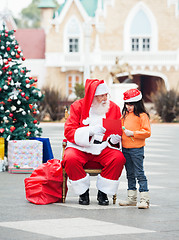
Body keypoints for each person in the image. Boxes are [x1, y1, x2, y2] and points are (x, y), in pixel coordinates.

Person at [62, 79, 126, 205]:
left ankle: (103, 192)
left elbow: (117, 130)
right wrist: (90, 131)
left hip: (104, 146)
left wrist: (114, 139)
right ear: (93, 96)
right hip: (80, 147)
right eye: (102, 95)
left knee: (118, 158)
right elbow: (69, 131)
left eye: (106, 95)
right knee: (70, 158)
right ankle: (83, 192)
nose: (105, 98)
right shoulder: (77, 106)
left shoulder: (113, 108)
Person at [118, 89, 151, 209]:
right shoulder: (125, 115)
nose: (128, 107)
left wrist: (132, 133)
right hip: (125, 149)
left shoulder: (143, 116)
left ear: (137, 103)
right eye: (127, 104)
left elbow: (147, 132)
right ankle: (131, 199)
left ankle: (144, 199)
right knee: (130, 174)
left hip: (137, 149)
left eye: (131, 104)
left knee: (139, 173)